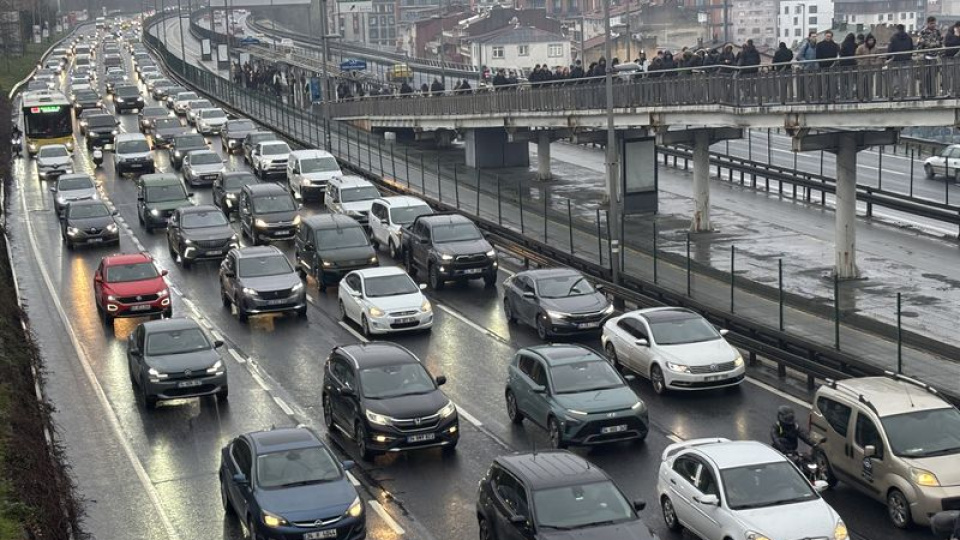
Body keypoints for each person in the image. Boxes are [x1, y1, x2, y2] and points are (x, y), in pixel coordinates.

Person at [888, 24, 916, 98]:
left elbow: (890, 49)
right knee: (904, 75)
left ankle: (896, 89)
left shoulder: (893, 38)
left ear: (897, 29)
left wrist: (889, 58)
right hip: (906, 59)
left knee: (896, 75)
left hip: (896, 60)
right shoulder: (909, 37)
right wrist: (909, 56)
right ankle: (904, 90)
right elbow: (911, 48)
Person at [856, 34, 881, 100]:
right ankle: (861, 96)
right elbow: (857, 57)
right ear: (866, 41)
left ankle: (869, 96)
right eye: (869, 40)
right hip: (863, 67)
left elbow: (878, 57)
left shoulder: (876, 48)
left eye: (872, 40)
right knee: (862, 83)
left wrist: (875, 63)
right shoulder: (861, 47)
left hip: (871, 68)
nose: (871, 42)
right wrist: (861, 63)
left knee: (870, 83)